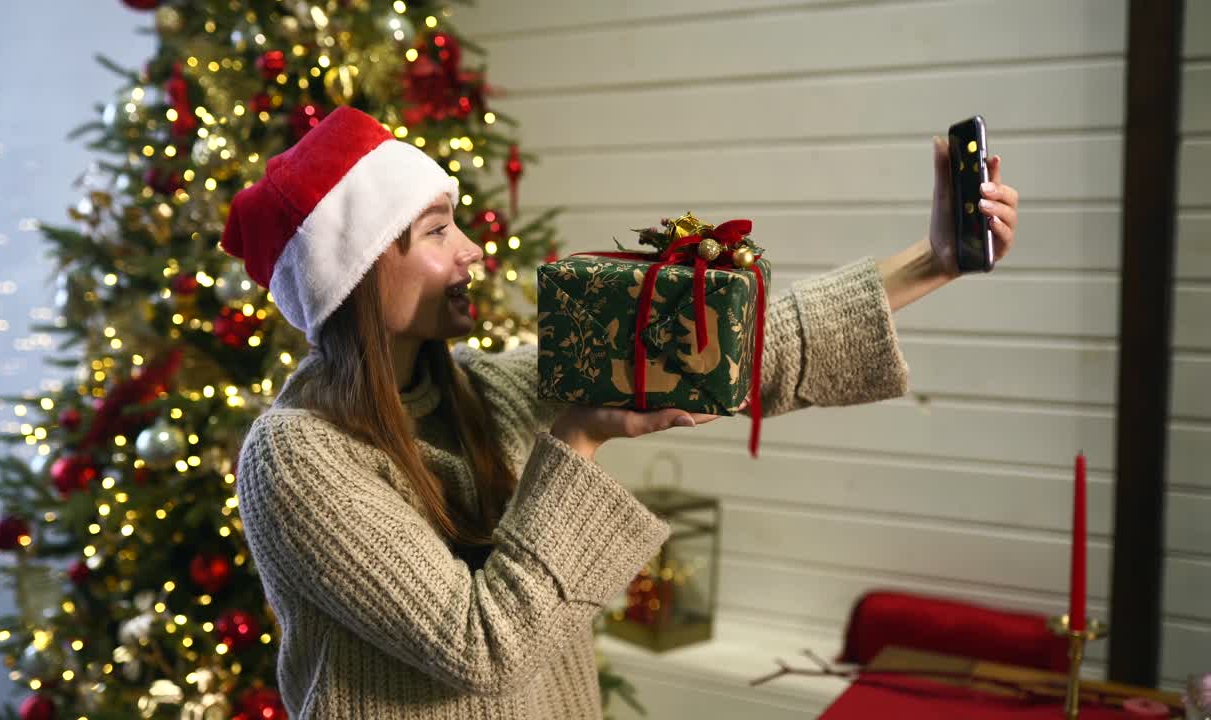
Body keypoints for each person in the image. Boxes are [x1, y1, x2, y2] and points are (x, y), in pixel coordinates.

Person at [220, 106, 1018, 719]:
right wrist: (578, 437)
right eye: (436, 231)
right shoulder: (296, 455)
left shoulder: (480, 388)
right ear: (355, 276)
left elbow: (734, 344)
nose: (470, 250)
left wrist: (934, 261)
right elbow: (480, 646)